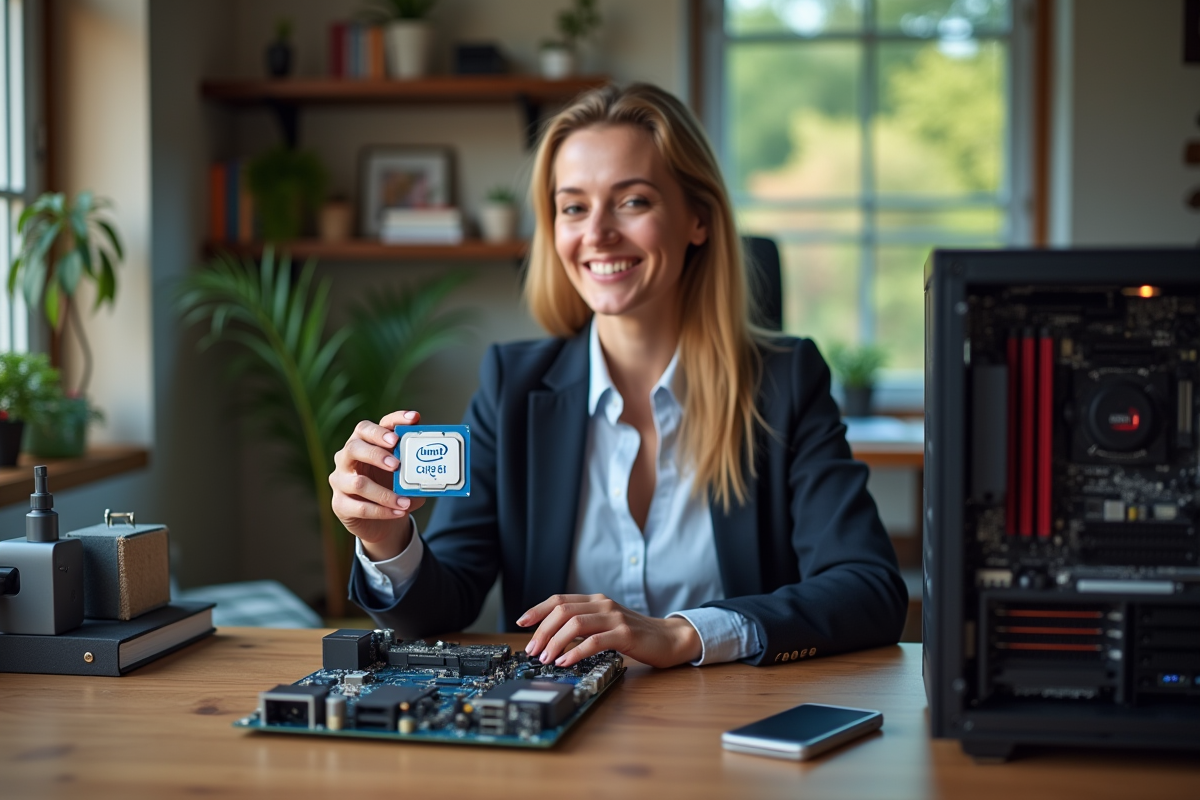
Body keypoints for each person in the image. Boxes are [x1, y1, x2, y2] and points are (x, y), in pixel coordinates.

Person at [329, 82, 907, 669]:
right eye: (574, 207)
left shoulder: (784, 382)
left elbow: (869, 589)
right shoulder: (515, 386)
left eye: (633, 201)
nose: (598, 233)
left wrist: (685, 634)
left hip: (738, 727)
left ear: (698, 219)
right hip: (558, 728)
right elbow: (441, 607)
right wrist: (384, 540)